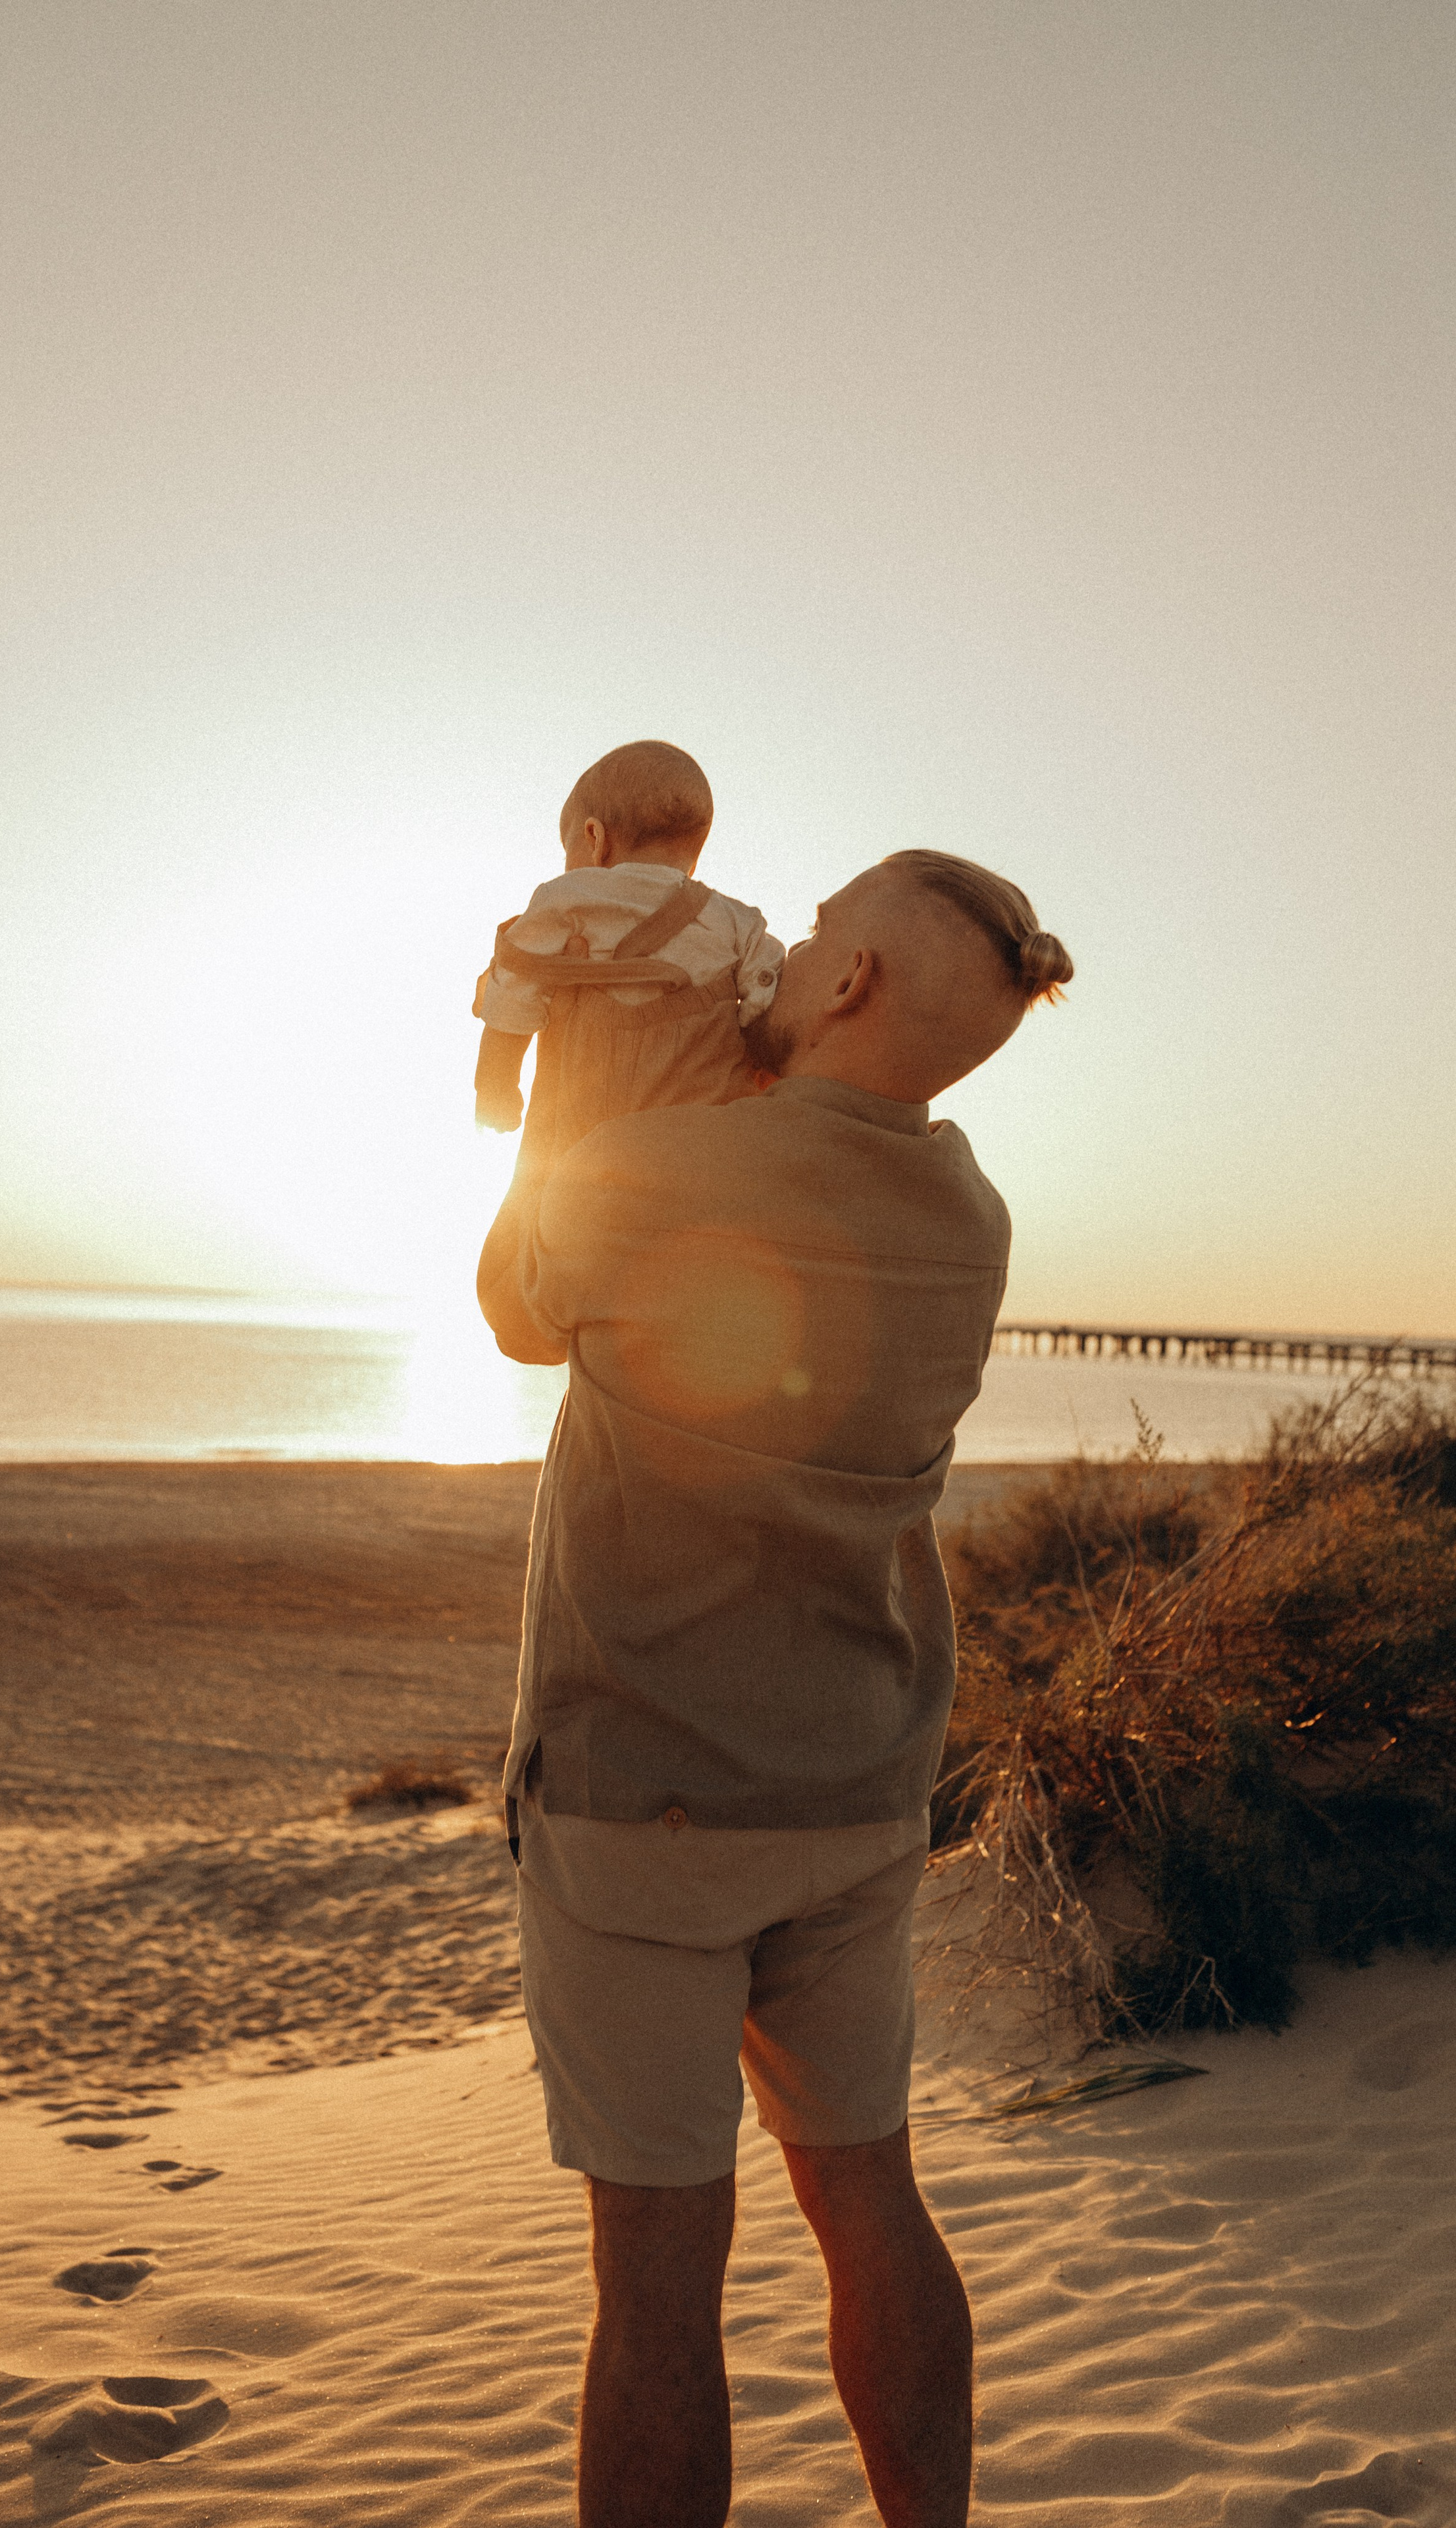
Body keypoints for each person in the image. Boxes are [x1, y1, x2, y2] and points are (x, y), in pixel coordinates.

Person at [477, 849, 1073, 2528]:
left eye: (811, 937)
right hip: (855, 1793)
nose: (785, 951)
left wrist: (575, 1093)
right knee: (867, 2200)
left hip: (644, 1805)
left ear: (854, 986)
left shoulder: (662, 1165)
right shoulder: (969, 1217)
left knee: (659, 2280)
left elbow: (515, 1310)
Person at [471, 741, 785, 1180]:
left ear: (595, 838)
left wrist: (496, 1088)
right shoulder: (738, 922)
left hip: (584, 1142)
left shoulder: (566, 900)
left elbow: (513, 991)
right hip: (699, 1144)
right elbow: (768, 1002)